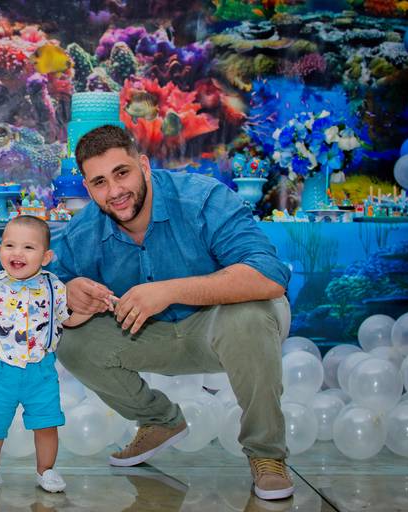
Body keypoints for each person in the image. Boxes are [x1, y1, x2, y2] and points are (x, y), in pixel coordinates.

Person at [51, 125, 294, 501]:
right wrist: (67, 295)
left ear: (144, 165)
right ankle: (159, 421)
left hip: (222, 326)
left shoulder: (201, 199)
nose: (114, 191)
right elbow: (41, 287)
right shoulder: (82, 231)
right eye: (99, 182)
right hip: (151, 336)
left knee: (249, 314)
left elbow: (269, 276)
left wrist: (169, 291)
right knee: (72, 340)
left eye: (122, 173)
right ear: (87, 188)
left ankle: (267, 455)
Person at [0, 216, 93, 493]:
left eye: (28, 247)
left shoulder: (54, 287)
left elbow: (67, 319)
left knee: (46, 424)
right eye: (9, 245)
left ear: (46, 256)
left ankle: (46, 471)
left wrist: (88, 311)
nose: (17, 253)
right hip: (1, 371)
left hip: (42, 371)